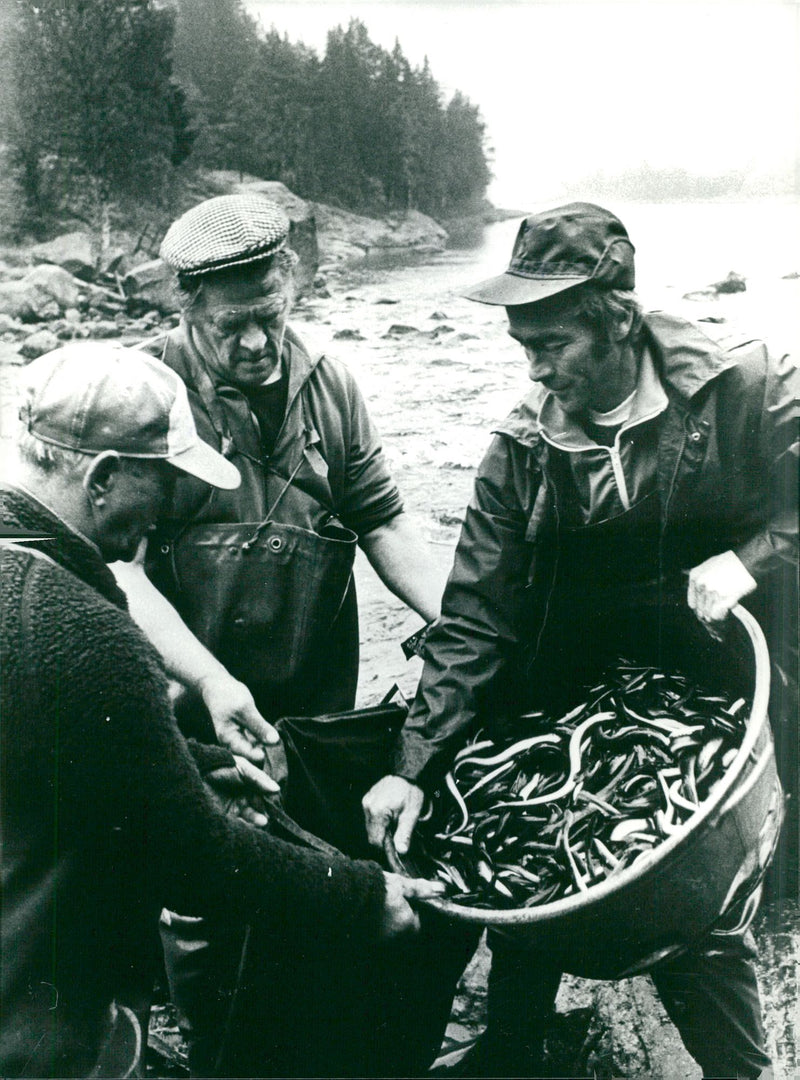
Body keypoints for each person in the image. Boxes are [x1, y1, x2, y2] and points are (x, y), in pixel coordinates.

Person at [364, 203, 799, 1078]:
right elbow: (476, 616)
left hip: (723, 693)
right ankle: (517, 1041)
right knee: (540, 866)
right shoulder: (521, 449)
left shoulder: (744, 385)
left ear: (618, 320)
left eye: (552, 343)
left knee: (709, 908)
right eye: (522, 345)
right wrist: (411, 765)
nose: (534, 369)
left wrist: (753, 561)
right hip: (582, 698)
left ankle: (743, 1067)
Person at [0, 343, 441, 1079]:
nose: (174, 506)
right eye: (164, 481)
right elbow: (190, 857)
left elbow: (48, 745)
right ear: (104, 478)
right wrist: (363, 896)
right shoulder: (80, 631)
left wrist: (192, 761)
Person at [111, 194, 471, 1076]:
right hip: (190, 693)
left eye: (270, 318)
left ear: (292, 285)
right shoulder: (145, 395)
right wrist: (206, 682)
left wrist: (466, 629)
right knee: (201, 884)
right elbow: (115, 566)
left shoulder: (330, 385)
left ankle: (299, 1031)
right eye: (230, 326)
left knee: (312, 864)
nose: (254, 346)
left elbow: (385, 523)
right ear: (184, 304)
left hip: (311, 692)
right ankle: (215, 1043)